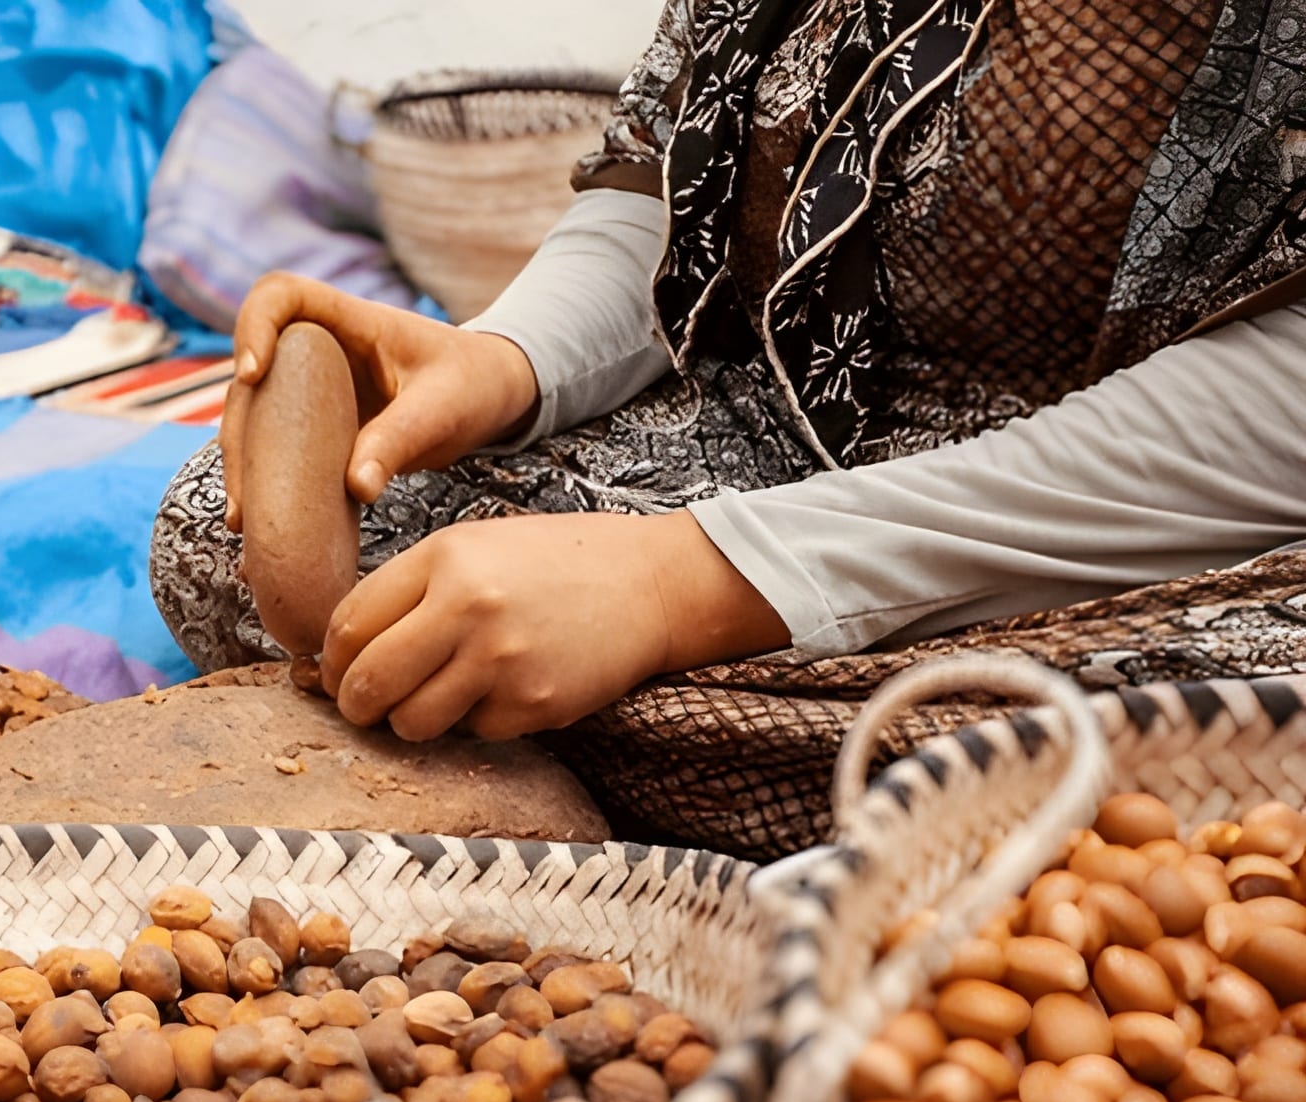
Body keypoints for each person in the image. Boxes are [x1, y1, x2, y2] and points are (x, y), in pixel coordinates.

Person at [151, 0, 1306, 845]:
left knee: (1188, 737)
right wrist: (501, 360)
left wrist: (684, 585)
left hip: (1151, 533)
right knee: (228, 532)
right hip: (794, 430)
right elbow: (665, 207)